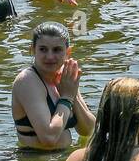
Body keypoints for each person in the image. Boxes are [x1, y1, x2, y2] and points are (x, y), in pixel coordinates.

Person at [11, 22, 96, 150]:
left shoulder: (64, 77)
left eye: (57, 50)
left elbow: (89, 130)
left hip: (60, 160)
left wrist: (73, 94)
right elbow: (49, 138)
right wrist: (67, 98)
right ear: (32, 50)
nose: (50, 57)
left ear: (68, 52)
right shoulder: (27, 81)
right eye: (43, 49)